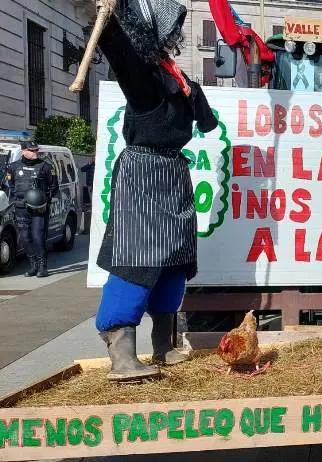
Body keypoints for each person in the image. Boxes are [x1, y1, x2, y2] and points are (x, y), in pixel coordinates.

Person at [85, 0, 218, 381]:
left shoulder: (174, 75)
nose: (177, 35)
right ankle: (121, 350)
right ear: (154, 30)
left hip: (174, 173)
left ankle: (164, 344)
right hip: (142, 173)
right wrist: (104, 19)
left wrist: (191, 91)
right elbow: (119, 50)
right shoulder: (142, 74)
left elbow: (205, 123)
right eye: (172, 28)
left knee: (176, 259)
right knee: (136, 257)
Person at [2, 141, 58, 277]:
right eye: (32, 150)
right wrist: (17, 198)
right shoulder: (13, 167)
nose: (35, 153)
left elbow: (54, 187)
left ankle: (42, 267)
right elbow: (10, 185)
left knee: (38, 237)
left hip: (39, 209)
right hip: (21, 207)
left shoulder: (45, 167)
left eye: (36, 150)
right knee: (25, 238)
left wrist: (44, 199)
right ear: (23, 151)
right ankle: (33, 265)